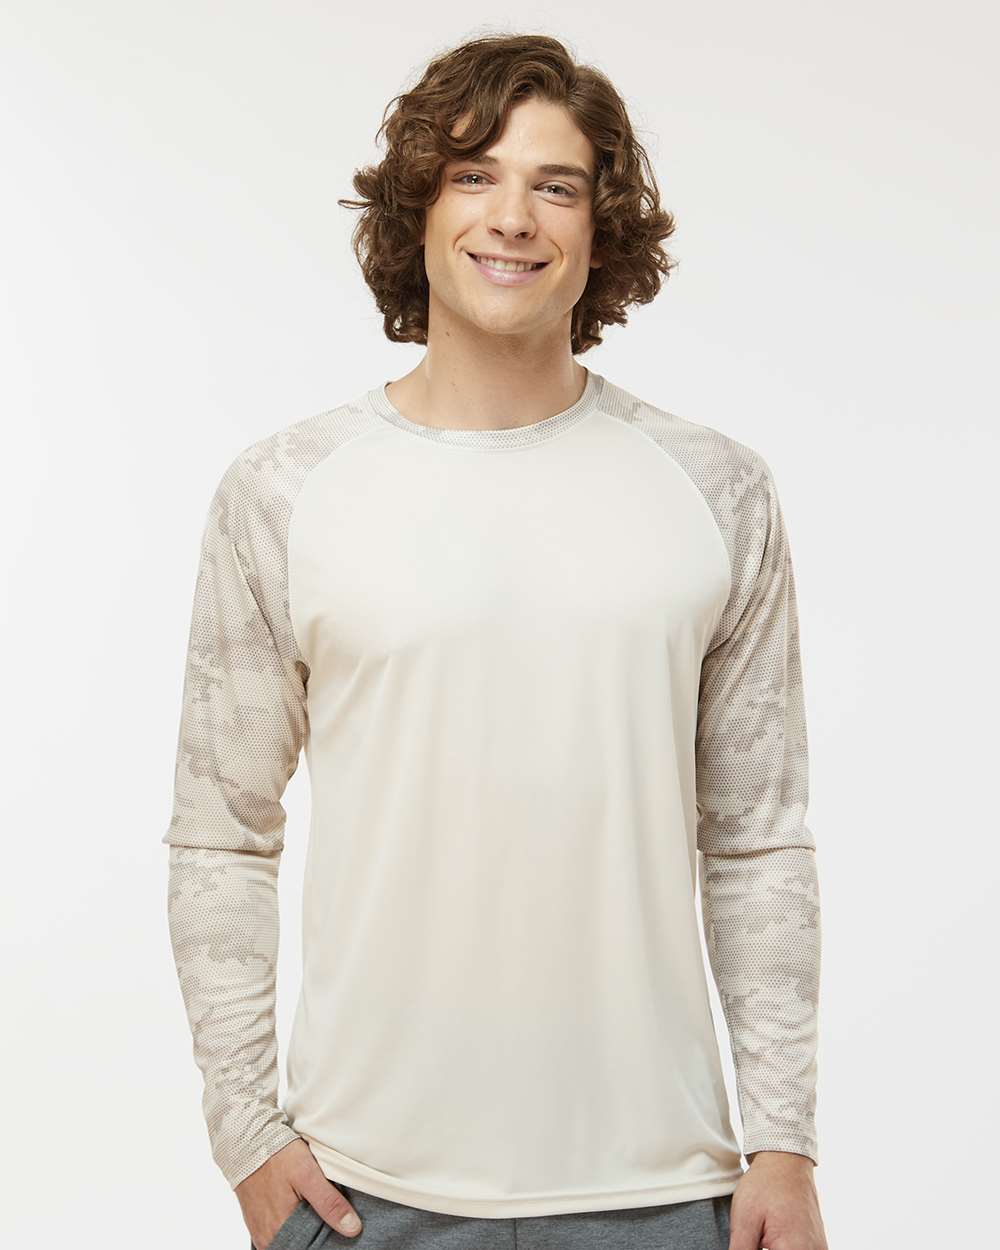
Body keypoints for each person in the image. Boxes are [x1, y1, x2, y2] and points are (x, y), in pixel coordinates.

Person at [163, 32, 828, 1250]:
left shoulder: (715, 489)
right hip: (362, 1191)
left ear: (599, 226)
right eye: (473, 175)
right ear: (416, 209)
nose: (512, 217)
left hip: (662, 1190)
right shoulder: (284, 489)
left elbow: (757, 838)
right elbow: (221, 831)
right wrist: (246, 1133)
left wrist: (783, 1141)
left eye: (554, 185)